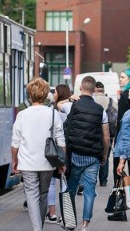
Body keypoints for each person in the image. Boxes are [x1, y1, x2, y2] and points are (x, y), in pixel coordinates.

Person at [11, 77, 66, 231]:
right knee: (43, 194)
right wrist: (62, 162)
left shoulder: (22, 115)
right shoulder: (53, 114)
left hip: (27, 162)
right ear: (45, 94)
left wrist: (14, 160)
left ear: (30, 94)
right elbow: (61, 140)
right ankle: (38, 227)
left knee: (32, 195)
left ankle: (37, 229)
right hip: (48, 162)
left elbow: (15, 142)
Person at [58, 75, 110, 231]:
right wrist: (105, 155)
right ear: (94, 90)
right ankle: (85, 224)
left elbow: (58, 104)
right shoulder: (101, 111)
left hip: (74, 155)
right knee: (89, 191)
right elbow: (106, 136)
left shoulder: (72, 106)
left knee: (71, 189)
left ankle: (70, 221)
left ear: (81, 88)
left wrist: (70, 99)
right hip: (93, 157)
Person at [46, 83, 72, 224]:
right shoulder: (70, 107)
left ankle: (52, 213)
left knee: (51, 182)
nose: (54, 94)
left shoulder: (54, 109)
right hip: (67, 147)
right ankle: (65, 215)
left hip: (54, 148)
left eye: (55, 92)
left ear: (59, 93)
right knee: (64, 182)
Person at [94, 81, 115, 187]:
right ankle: (103, 180)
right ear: (104, 90)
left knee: (93, 155)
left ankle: (92, 178)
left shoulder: (92, 100)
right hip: (108, 132)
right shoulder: (111, 101)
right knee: (105, 155)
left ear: (94, 90)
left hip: (94, 132)